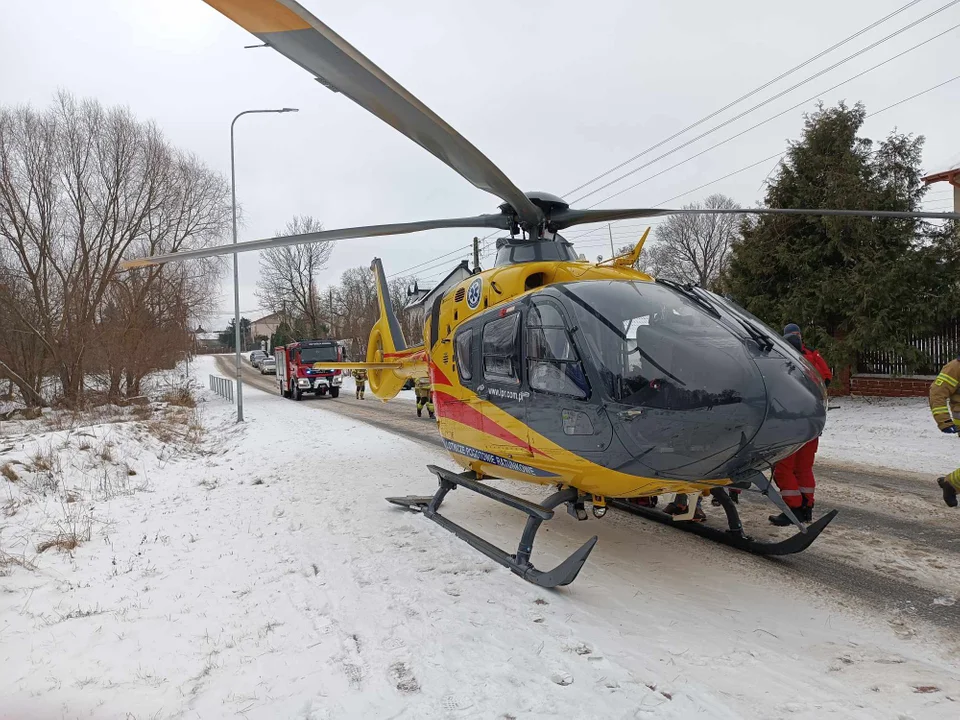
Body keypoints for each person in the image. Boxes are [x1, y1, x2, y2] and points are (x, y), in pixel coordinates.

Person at [769, 323, 833, 526]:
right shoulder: (814, 356)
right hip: (813, 422)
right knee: (804, 468)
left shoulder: (782, 357)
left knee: (783, 468)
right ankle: (807, 508)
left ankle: (794, 509)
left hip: (791, 423)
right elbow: (827, 379)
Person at [929, 355, 960, 507]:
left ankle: (950, 484)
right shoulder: (955, 367)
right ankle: (951, 484)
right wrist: (944, 420)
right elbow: (937, 391)